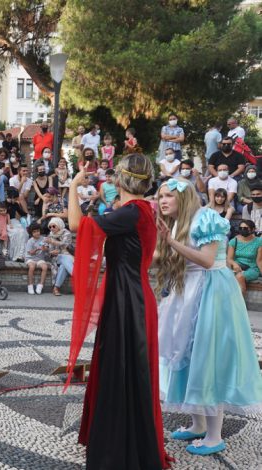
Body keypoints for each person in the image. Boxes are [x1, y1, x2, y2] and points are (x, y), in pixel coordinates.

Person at [66, 153, 168, 469]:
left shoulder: (132, 213)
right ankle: (122, 440)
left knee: (123, 371)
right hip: (130, 297)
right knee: (124, 371)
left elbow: (75, 225)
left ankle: (120, 449)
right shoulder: (136, 211)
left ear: (120, 179)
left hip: (129, 301)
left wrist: (73, 187)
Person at [156, 178, 262, 457]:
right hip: (189, 293)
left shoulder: (206, 219)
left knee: (210, 359)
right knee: (192, 357)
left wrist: (170, 242)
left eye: (168, 196)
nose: (162, 201)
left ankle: (215, 436)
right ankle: (198, 423)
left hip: (212, 293)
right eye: (160, 196)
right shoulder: (178, 221)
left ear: (185, 197)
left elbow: (205, 260)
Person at [226, 219, 262, 297]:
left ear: (253, 229)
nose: (243, 230)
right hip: (237, 266)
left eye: (245, 228)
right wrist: (235, 264)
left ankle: (240, 303)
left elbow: (259, 260)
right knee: (228, 276)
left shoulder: (259, 241)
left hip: (252, 267)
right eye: (241, 228)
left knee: (240, 277)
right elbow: (229, 259)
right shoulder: (234, 241)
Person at [46, 217, 73, 296]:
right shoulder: (50, 235)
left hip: (67, 256)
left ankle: (56, 288)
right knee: (63, 257)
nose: (51, 228)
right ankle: (76, 274)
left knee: (63, 267)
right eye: (50, 227)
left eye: (54, 226)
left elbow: (65, 244)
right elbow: (50, 251)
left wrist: (53, 242)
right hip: (57, 258)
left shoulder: (66, 233)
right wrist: (50, 251)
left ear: (59, 225)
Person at [24, 224, 49, 295]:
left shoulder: (43, 239)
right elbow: (30, 253)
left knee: (45, 267)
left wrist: (44, 248)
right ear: (31, 233)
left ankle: (40, 285)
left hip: (40, 258)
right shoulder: (30, 241)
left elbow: (47, 248)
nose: (37, 233)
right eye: (34, 232)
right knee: (32, 267)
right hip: (30, 258)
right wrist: (36, 249)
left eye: (38, 231)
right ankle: (30, 285)